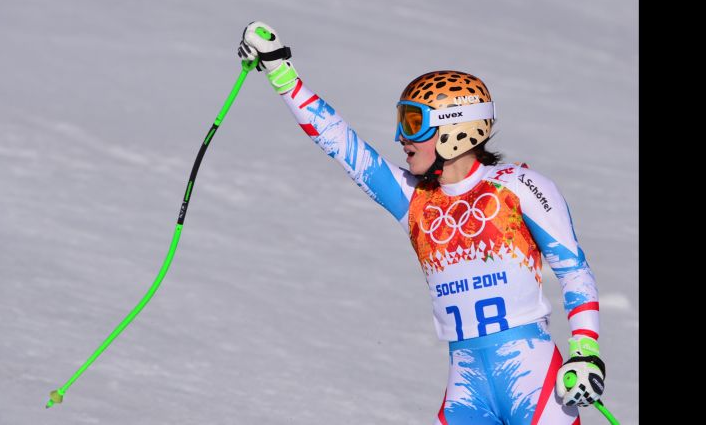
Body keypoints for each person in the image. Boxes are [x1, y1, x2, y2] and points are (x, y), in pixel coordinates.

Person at [237, 21, 605, 425]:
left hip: (535, 381)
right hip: (467, 385)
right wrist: (280, 72)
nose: (400, 137)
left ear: (457, 129)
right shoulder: (414, 199)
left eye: (413, 123)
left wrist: (586, 352)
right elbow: (340, 143)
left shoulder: (519, 186)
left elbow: (573, 271)